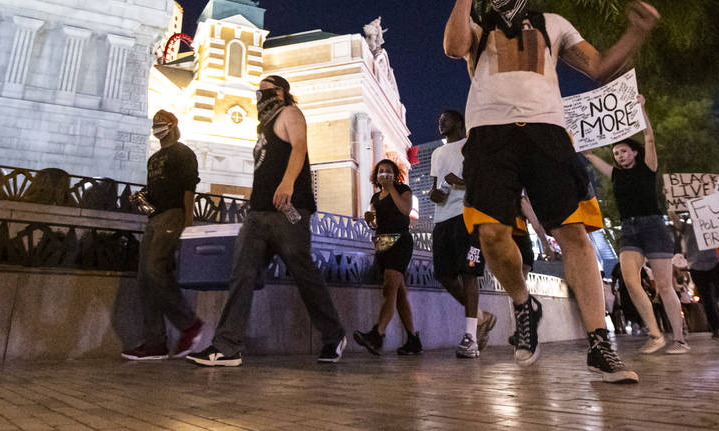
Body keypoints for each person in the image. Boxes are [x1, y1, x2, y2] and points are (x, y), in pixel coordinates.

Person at [443, 0, 658, 382]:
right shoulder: (480, 24)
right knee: (490, 232)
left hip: (547, 133)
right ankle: (524, 303)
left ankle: (600, 343)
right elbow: (453, 47)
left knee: (572, 231)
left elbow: (598, 66)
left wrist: (635, 32)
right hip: (489, 134)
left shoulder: (552, 23)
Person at [188, 75, 347, 366]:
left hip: (288, 209)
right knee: (242, 274)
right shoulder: (263, 128)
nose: (260, 95)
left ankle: (333, 335)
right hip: (259, 213)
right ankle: (227, 347)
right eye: (258, 91)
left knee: (304, 275)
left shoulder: (290, 113)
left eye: (267, 90)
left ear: (282, 92)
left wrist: (287, 183)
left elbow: (299, 147)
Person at [586, 96, 689, 355]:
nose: (619, 156)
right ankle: (655, 333)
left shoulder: (647, 167)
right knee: (631, 281)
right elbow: (588, 154)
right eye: (616, 153)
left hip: (653, 226)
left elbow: (649, 137)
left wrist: (641, 109)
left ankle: (679, 339)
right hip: (629, 229)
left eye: (623, 151)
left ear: (634, 152)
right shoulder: (615, 175)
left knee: (664, 287)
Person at [121, 109, 204, 360]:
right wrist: (141, 200)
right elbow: (155, 193)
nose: (157, 128)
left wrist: (188, 222)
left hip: (174, 215)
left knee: (156, 268)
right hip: (155, 218)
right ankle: (155, 342)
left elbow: (189, 188)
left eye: (161, 124)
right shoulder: (153, 159)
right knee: (145, 278)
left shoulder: (183, 153)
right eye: (154, 124)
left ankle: (190, 324)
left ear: (173, 124)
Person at [428, 109, 496, 358]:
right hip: (442, 220)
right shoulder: (437, 153)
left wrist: (459, 183)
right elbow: (435, 190)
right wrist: (434, 194)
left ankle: (470, 338)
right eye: (439, 119)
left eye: (444, 119)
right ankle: (481, 317)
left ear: (458, 122)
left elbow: (486, 180)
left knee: (469, 272)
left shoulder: (472, 145)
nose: (440, 122)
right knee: (444, 275)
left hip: (468, 216)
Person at [354, 159, 421, 355]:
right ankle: (413, 340)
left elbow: (405, 210)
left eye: (388, 171)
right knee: (399, 294)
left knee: (389, 288)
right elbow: (376, 224)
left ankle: (378, 334)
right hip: (382, 245)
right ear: (376, 175)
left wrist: (391, 188)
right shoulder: (375, 198)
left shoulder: (403, 190)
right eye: (381, 171)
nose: (384, 174)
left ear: (395, 174)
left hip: (400, 242)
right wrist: (370, 221)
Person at [676, 219, 719, 341]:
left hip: (715, 262)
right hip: (696, 266)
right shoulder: (685, 226)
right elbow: (674, 219)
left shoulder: (711, 221)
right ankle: (716, 328)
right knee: (707, 300)